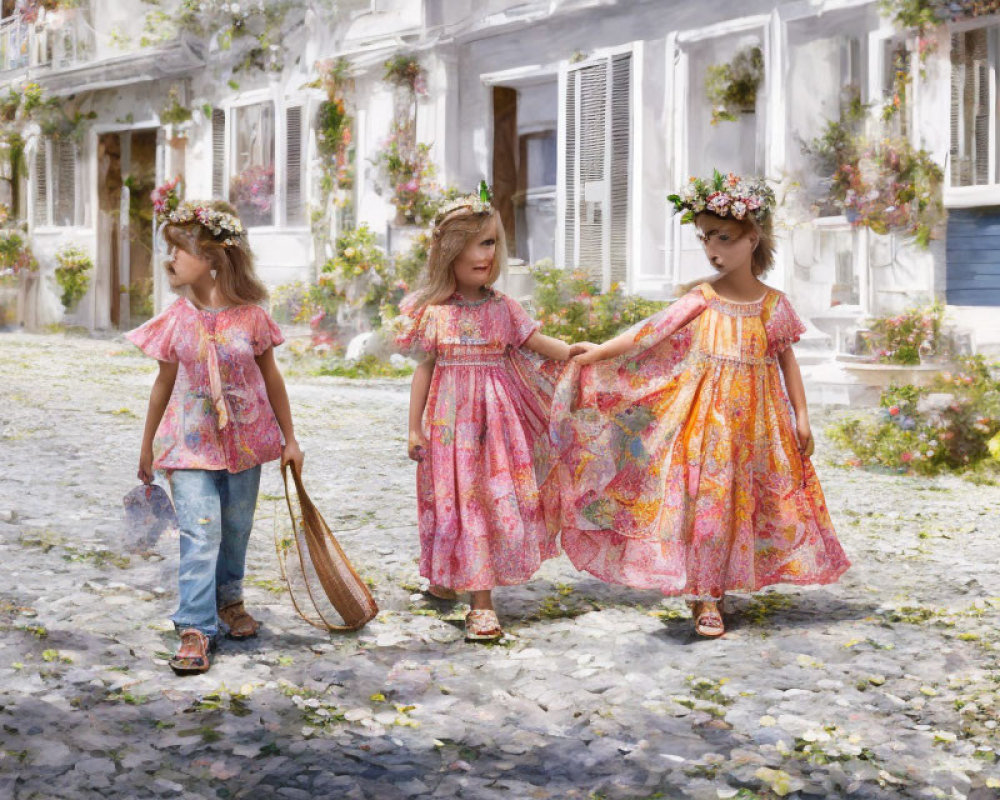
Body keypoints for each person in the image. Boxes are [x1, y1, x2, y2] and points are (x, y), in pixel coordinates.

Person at [553, 171, 849, 637]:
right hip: (706, 422)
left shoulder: (774, 305)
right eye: (705, 237)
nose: (713, 249)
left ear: (752, 238)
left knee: (746, 503)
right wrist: (598, 353)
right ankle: (705, 596)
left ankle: (724, 582)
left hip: (759, 424)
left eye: (724, 237)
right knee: (709, 503)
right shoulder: (702, 300)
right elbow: (648, 333)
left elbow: (786, 360)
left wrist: (803, 418)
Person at [394, 188, 593, 642]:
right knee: (453, 501)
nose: (484, 254)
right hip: (449, 428)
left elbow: (540, 345)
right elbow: (424, 370)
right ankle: (448, 575)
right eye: (472, 243)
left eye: (490, 243)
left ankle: (481, 602)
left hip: (497, 427)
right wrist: (414, 427)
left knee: (485, 499)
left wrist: (579, 355)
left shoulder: (504, 309)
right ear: (448, 251)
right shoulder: (435, 315)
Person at [129, 200, 303, 673]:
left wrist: (290, 439)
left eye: (179, 251)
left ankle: (229, 601)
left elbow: (272, 380)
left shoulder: (252, 318)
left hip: (247, 444)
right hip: (188, 445)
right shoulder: (175, 320)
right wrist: (147, 444)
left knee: (236, 530)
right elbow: (164, 382)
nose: (170, 260)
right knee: (200, 532)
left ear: (211, 259)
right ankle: (195, 626)